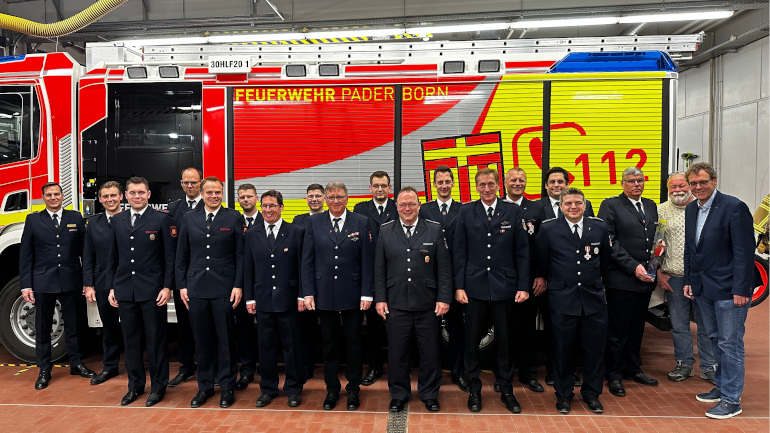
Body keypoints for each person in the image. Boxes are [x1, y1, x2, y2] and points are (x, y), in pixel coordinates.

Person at [453, 168, 529, 414]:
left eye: (491, 184)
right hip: (473, 288)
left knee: (505, 342)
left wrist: (522, 286)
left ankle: (507, 389)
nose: (487, 188)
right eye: (482, 184)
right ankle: (474, 390)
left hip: (504, 288)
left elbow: (522, 252)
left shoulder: (513, 211)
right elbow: (459, 251)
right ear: (476, 187)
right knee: (472, 342)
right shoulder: (466, 211)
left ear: (499, 185)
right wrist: (459, 286)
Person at [683, 162, 754, 420]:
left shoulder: (734, 207)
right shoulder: (692, 209)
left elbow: (745, 253)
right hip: (703, 288)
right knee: (714, 339)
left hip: (729, 290)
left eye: (703, 182)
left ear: (714, 181)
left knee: (730, 343)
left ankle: (732, 400)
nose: (698, 187)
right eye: (694, 183)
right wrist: (691, 280)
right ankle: (722, 387)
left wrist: (742, 288)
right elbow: (691, 248)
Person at [375, 186, 452, 413]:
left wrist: (444, 298)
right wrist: (380, 298)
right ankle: (398, 395)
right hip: (396, 302)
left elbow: (444, 269)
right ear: (396, 207)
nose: (407, 208)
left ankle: (429, 394)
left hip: (428, 303)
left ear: (419, 205)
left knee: (430, 352)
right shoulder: (385, 230)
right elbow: (379, 269)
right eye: (402, 204)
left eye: (411, 204)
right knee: (397, 353)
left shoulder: (434, 230)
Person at [535, 187, 611, 414]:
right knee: (562, 351)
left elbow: (605, 261)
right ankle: (564, 395)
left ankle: (591, 394)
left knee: (594, 351)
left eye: (578, 203)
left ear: (585, 205)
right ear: (560, 206)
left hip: (593, 299)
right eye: (568, 204)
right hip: (562, 299)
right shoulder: (548, 229)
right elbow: (541, 261)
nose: (573, 207)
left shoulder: (598, 227)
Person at [302, 181, 374, 411]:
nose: (335, 201)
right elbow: (307, 260)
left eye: (339, 197)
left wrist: (366, 292)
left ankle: (353, 389)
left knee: (354, 343)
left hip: (353, 293)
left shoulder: (361, 222)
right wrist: (308, 292)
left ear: (347, 198)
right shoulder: (313, 222)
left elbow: (367, 261)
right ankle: (331, 388)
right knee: (329, 343)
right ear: (325, 198)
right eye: (330, 197)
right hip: (324, 293)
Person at [106, 176, 175, 407]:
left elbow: (169, 259)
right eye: (133, 193)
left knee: (155, 341)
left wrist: (167, 287)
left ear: (148, 195)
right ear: (126, 195)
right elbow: (112, 258)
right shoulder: (117, 220)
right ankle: (135, 386)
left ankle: (158, 387)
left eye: (141, 192)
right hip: (125, 291)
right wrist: (112, 287)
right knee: (131, 342)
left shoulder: (161, 220)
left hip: (152, 292)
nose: (137, 196)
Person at [176, 177, 244, 408]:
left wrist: (238, 285)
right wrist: (183, 285)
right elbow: (181, 254)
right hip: (196, 287)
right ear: (201, 194)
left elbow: (240, 255)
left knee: (225, 340)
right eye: (209, 192)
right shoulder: (189, 217)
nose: (214, 196)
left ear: (222, 194)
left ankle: (227, 387)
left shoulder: (233, 217)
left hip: (224, 288)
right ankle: (204, 387)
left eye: (218, 192)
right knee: (201, 340)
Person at [20, 182, 95, 390]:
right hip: (43, 281)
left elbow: (85, 252)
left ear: (63, 196)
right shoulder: (33, 220)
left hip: (71, 279)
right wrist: (26, 285)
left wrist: (87, 281)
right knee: (42, 327)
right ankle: (44, 368)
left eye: (56, 194)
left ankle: (76, 363)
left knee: (74, 326)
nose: (53, 197)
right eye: (49, 195)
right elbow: (26, 255)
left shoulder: (75, 218)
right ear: (43, 197)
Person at [597, 167, 659, 398]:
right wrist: (634, 267)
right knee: (617, 330)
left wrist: (654, 264)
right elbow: (609, 241)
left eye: (640, 180)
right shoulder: (611, 205)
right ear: (622, 183)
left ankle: (633, 368)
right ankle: (613, 373)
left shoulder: (651, 205)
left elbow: (654, 239)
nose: (636, 184)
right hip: (621, 280)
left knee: (637, 328)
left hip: (646, 281)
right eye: (631, 181)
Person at [245, 190, 306, 408]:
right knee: (266, 348)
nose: (268, 210)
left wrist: (302, 294)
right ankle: (268, 389)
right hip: (263, 300)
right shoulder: (252, 233)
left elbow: (302, 267)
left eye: (272, 206)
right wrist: (249, 298)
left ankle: (294, 388)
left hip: (289, 299)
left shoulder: (296, 232)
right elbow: (248, 267)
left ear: (282, 207)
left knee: (292, 347)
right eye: (265, 206)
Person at [656, 173, 716, 383]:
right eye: (673, 187)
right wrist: (658, 271)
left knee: (705, 323)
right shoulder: (661, 210)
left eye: (682, 185)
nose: (678, 190)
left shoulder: (703, 208)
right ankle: (684, 364)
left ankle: (709, 366)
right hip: (674, 277)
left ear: (690, 187)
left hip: (702, 278)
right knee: (679, 323)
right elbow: (656, 243)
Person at [536, 166, 593, 387]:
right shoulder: (536, 208)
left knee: (576, 330)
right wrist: (540, 275)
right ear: (546, 186)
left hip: (578, 284)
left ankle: (571, 371)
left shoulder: (583, 208)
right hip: (548, 282)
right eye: (552, 182)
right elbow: (536, 247)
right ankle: (553, 370)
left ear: (567, 184)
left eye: (561, 181)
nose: (557, 185)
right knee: (552, 329)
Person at [418, 165, 467, 392]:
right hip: (428, 279)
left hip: (454, 278)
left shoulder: (464, 209)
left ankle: (458, 372)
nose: (444, 185)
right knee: (429, 331)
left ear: (453, 183)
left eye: (448, 181)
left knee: (457, 329)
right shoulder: (424, 210)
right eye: (440, 182)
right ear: (433, 184)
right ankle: (432, 373)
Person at [503, 167, 545, 393]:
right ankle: (505, 375)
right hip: (502, 280)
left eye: (522, 180)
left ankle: (529, 375)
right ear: (505, 182)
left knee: (528, 330)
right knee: (504, 330)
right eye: (513, 180)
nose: (518, 183)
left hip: (529, 279)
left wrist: (540, 274)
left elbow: (542, 244)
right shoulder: (498, 207)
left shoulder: (537, 208)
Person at [352, 170, 396, 386]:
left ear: (389, 188)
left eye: (384, 185)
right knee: (373, 328)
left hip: (395, 275)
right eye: (376, 185)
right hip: (369, 277)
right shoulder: (360, 210)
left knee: (396, 326)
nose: (380, 189)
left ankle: (398, 368)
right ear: (370, 188)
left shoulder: (398, 207)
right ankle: (375, 367)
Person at [83, 181, 124, 385]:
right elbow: (88, 256)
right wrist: (88, 284)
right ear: (100, 199)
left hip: (127, 282)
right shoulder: (93, 223)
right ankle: (110, 367)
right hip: (101, 283)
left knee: (133, 327)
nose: (110, 200)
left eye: (113, 196)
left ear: (121, 197)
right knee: (108, 327)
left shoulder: (129, 220)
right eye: (105, 196)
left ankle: (139, 365)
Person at [166, 167, 203, 387]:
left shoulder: (210, 204)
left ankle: (210, 367)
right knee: (184, 327)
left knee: (206, 326)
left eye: (194, 182)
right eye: (186, 182)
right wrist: (177, 281)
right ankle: (187, 367)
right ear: (181, 184)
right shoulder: (173, 210)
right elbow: (173, 250)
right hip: (184, 279)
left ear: (201, 182)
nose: (190, 186)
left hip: (205, 277)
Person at [291, 183, 326, 380]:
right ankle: (307, 365)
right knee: (306, 328)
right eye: (311, 195)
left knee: (329, 327)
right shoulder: (298, 221)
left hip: (326, 282)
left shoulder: (331, 219)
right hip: (305, 282)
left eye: (318, 196)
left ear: (324, 198)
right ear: (306, 199)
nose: (314, 199)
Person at [233, 183, 260, 390]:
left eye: (249, 196)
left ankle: (267, 366)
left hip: (266, 284)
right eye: (241, 197)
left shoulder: (269, 217)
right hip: (241, 285)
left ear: (256, 198)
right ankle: (248, 369)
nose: (245, 200)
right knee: (244, 329)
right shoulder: (233, 221)